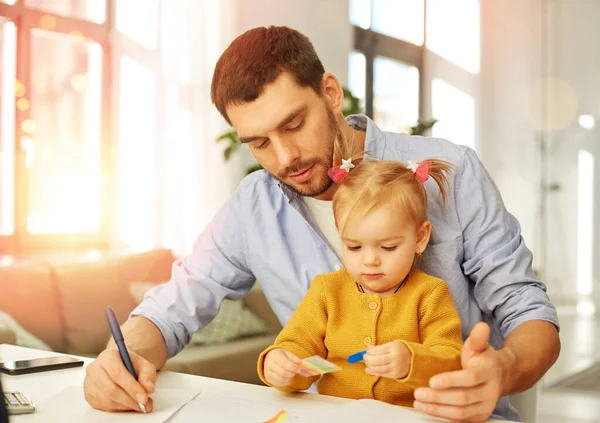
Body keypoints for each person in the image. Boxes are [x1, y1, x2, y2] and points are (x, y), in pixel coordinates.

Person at [83, 26, 560, 422]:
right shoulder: (254, 207)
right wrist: (119, 360)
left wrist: (506, 368)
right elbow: (169, 310)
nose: (285, 158)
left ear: (330, 93)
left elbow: (528, 311)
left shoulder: (449, 172)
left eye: (293, 125)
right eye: (259, 142)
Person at [259, 150, 464, 407]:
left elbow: (452, 361)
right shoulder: (327, 290)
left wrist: (412, 360)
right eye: (354, 247)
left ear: (420, 238)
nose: (370, 261)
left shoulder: (430, 294)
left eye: (388, 247)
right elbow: (297, 343)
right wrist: (280, 364)